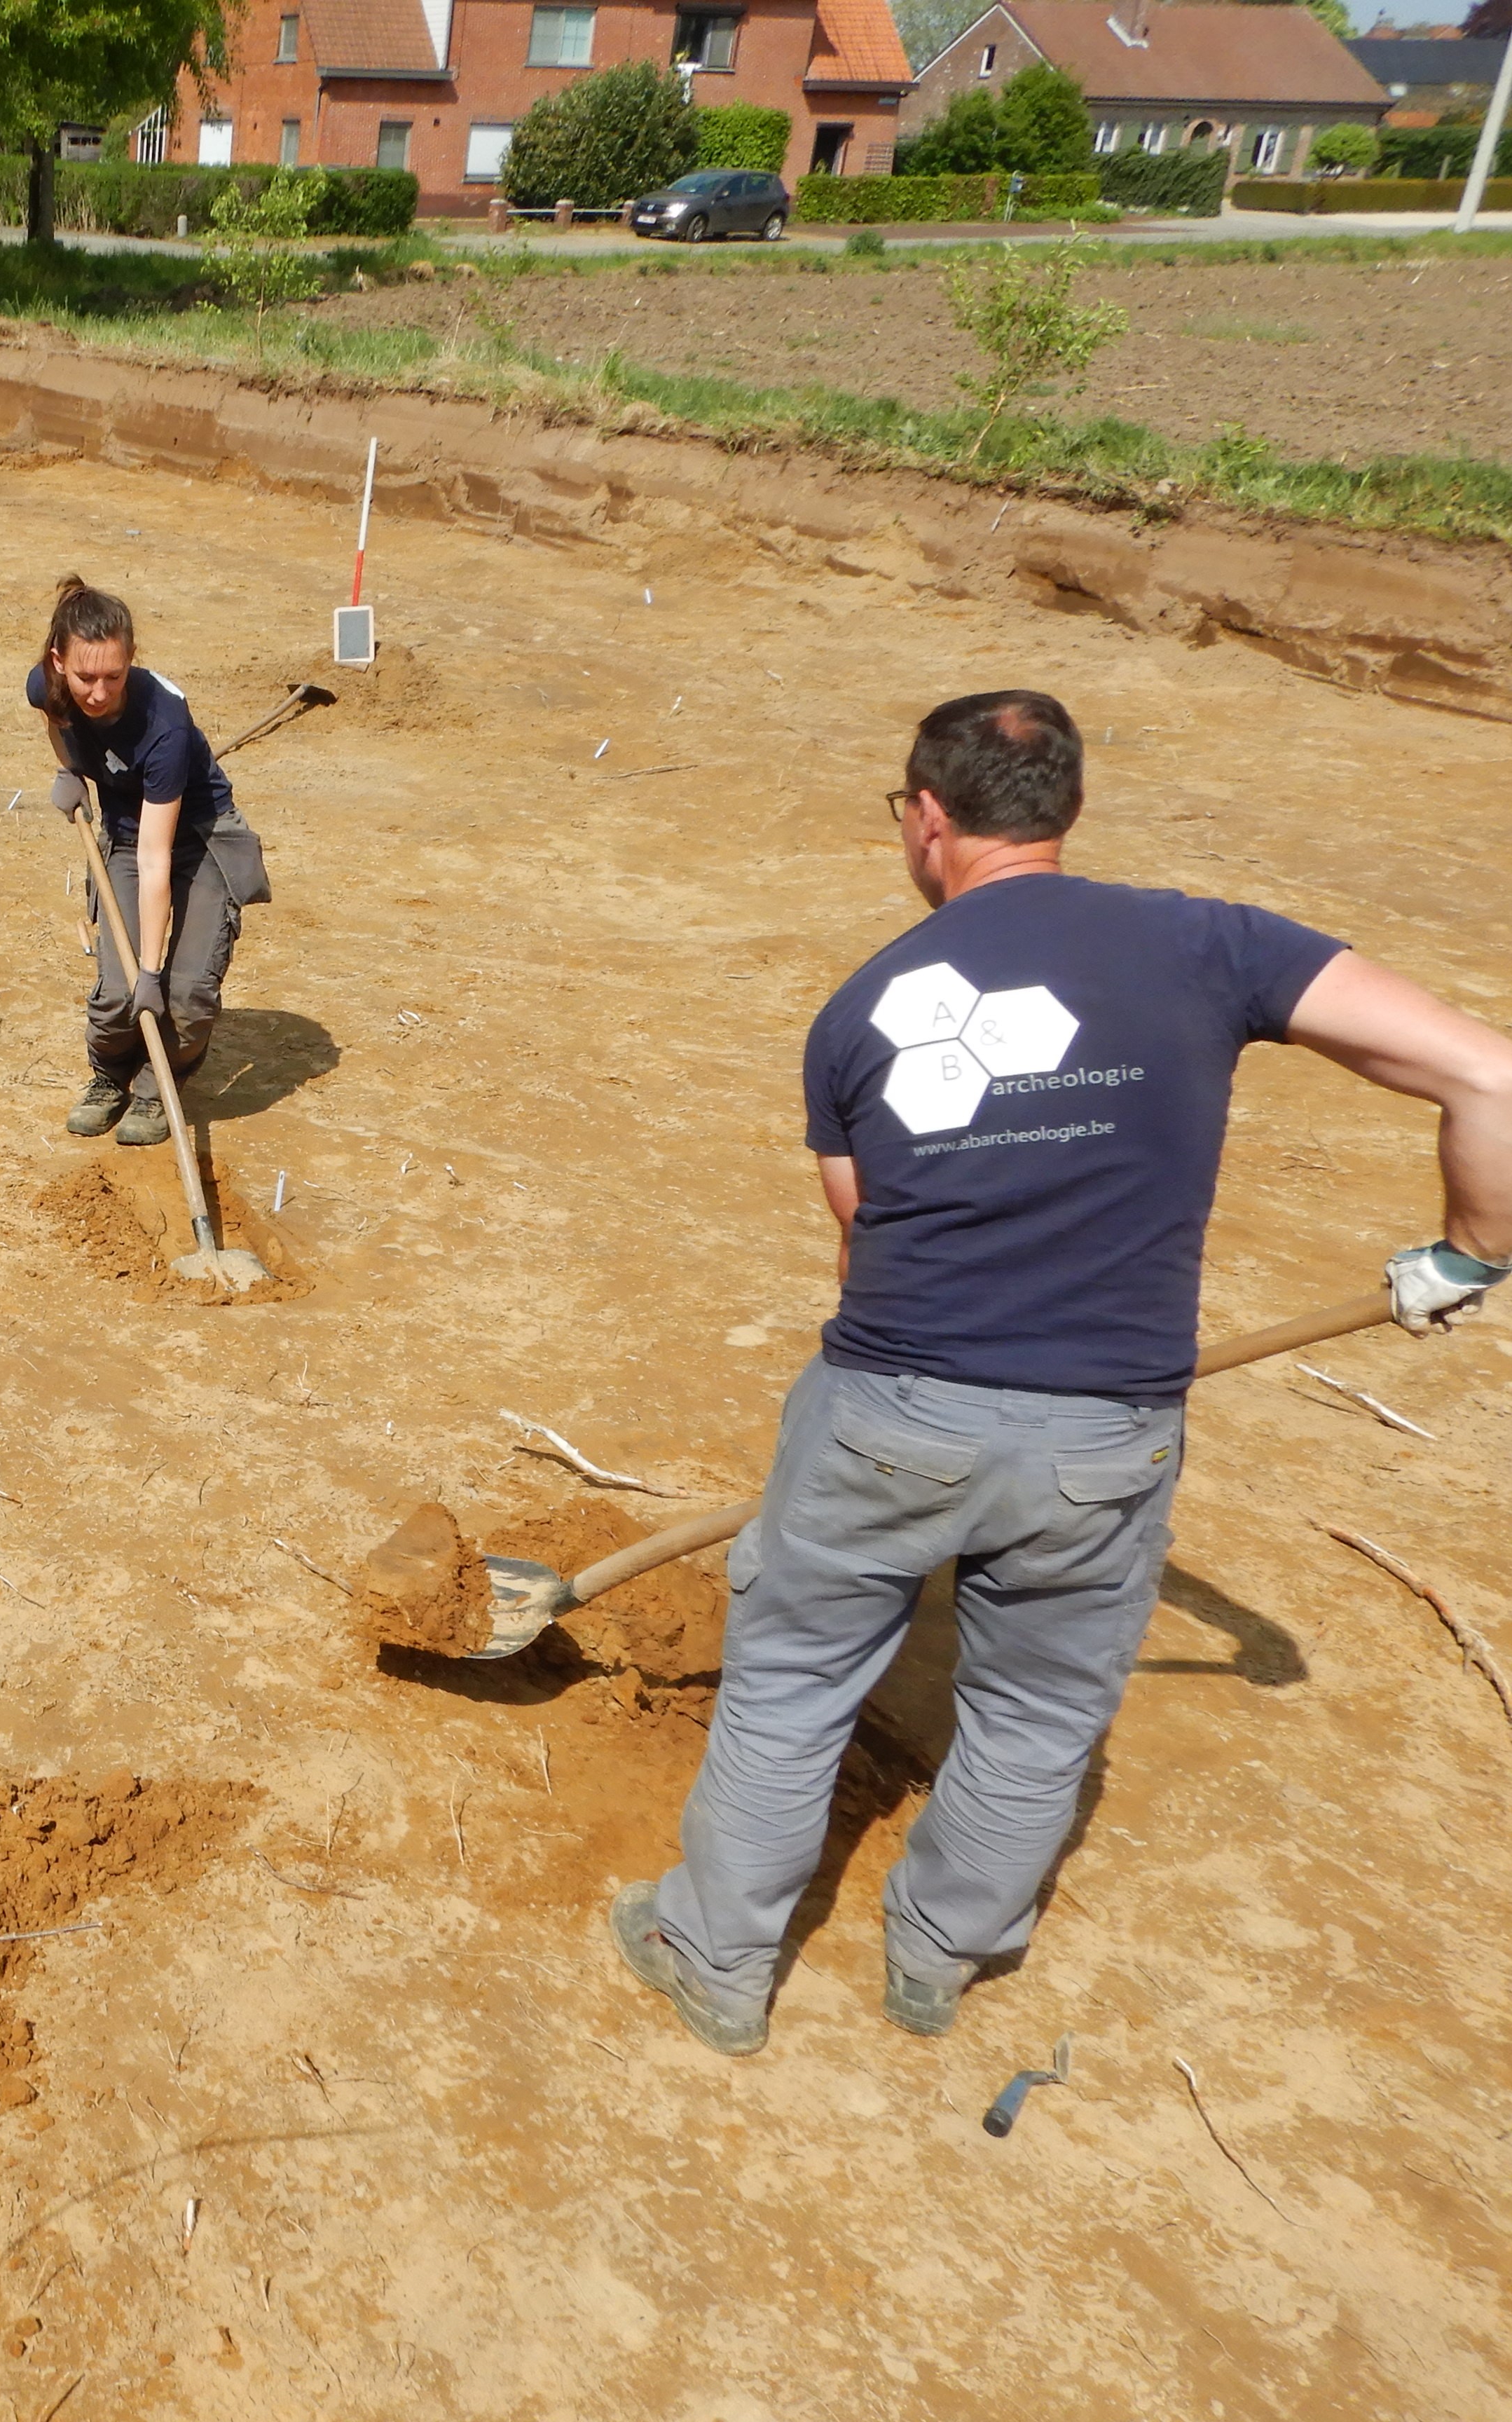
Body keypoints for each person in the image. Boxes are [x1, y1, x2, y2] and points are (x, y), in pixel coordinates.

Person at [612, 689, 1512, 2057]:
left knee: (791, 1685)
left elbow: (863, 1243)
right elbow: (1491, 1077)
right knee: (1037, 1712)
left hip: (895, 1407)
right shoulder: (1214, 945)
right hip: (1106, 1436)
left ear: (927, 818)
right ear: (1066, 808)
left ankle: (715, 1961)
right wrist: (1468, 1255)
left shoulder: (857, 1014)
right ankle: (939, 1958)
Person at [27, 578, 270, 1150]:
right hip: (128, 834)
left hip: (199, 840)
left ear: (131, 659)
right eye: (85, 678)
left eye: (114, 677)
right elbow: (54, 715)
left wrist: (153, 973)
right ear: (59, 662)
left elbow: (157, 859)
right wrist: (70, 770)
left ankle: (158, 1085)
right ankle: (110, 1076)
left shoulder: (165, 725)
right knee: (118, 994)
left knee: (183, 996)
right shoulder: (46, 683)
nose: (98, 692)